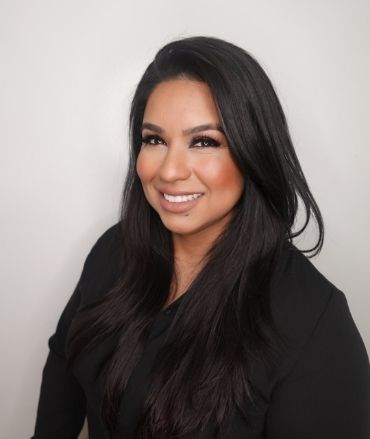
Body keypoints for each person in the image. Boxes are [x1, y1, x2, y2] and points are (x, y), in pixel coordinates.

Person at [32, 36, 370, 439]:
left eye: (204, 142)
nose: (170, 171)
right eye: (154, 140)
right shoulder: (115, 249)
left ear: (252, 151)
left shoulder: (313, 320)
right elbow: (66, 356)